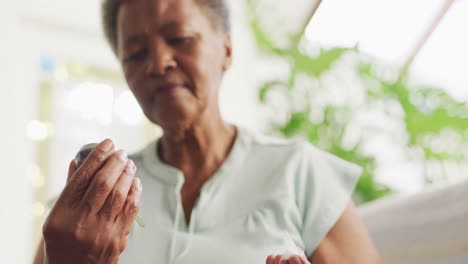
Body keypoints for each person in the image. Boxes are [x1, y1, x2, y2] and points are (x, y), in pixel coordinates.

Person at [34, 0, 380, 263]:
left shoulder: (301, 173)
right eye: (136, 53)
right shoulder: (92, 203)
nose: (158, 64)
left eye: (179, 38)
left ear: (227, 50)